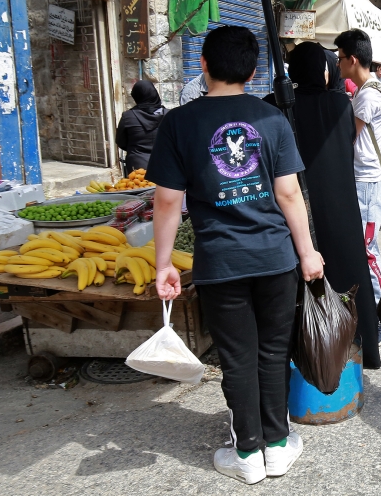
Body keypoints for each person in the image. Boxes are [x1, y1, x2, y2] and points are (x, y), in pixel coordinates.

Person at [148, 26, 324, 485]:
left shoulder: (179, 123)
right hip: (275, 258)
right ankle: (278, 446)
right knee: (272, 351)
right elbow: (289, 195)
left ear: (202, 64)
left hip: (220, 263)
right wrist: (307, 253)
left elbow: (167, 201)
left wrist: (162, 263)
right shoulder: (271, 120)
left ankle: (247, 452)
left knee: (238, 356)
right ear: (252, 70)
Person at [263, 41, 381, 371]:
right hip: (340, 203)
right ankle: (360, 350)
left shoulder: (275, 107)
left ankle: (307, 357)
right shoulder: (340, 104)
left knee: (303, 285)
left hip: (296, 205)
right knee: (348, 274)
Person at [335, 29, 381, 321]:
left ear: (353, 59)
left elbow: (348, 138)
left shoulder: (367, 95)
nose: (338, 63)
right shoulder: (373, 89)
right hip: (368, 181)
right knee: (365, 247)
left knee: (367, 251)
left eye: (340, 58)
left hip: (367, 183)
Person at [116, 80, 168, 175]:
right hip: (165, 165)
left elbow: (121, 142)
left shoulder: (128, 117)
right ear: (155, 94)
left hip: (137, 168)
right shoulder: (170, 115)